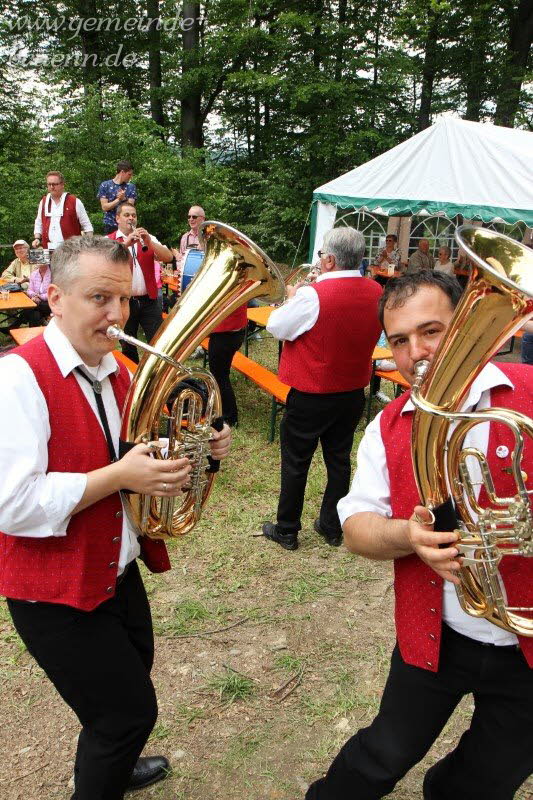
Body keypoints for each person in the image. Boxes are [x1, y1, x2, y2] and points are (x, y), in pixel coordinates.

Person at [0, 235, 232, 800]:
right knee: (125, 714)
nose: (118, 315)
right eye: (99, 298)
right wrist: (117, 479)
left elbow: (142, 452)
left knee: (126, 686)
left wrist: (202, 447)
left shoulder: (119, 370)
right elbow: (12, 503)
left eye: (125, 300)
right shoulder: (17, 379)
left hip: (116, 570)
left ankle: (113, 762)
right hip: (54, 591)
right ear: (54, 297)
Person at [306, 270, 533, 800]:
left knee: (490, 777)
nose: (417, 353)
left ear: (466, 329)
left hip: (527, 646)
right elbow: (356, 527)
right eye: (400, 341)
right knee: (383, 753)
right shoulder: (386, 427)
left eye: (431, 331)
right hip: (436, 636)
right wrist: (409, 536)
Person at [262, 227, 383, 550]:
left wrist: (291, 298)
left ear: (329, 260)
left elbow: (276, 326)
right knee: (339, 459)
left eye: (320, 256)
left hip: (311, 393)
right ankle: (331, 525)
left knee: (296, 461)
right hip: (353, 392)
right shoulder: (376, 291)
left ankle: (287, 528)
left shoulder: (312, 295)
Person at [108, 202, 172, 363]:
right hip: (125, 302)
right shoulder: (109, 241)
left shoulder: (147, 237)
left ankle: (156, 376)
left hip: (149, 299)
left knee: (157, 342)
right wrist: (126, 244)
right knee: (128, 343)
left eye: (134, 215)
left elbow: (168, 257)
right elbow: (104, 262)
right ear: (117, 218)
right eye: (127, 215)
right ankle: (133, 376)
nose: (131, 218)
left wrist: (149, 242)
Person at [32, 171, 93, 250]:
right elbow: (39, 222)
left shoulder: (74, 201)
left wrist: (88, 245)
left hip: (71, 249)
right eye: (49, 184)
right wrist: (37, 238)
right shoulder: (43, 202)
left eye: (54, 184)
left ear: (62, 184)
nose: (51, 187)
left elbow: (87, 226)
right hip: (49, 248)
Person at [97, 160, 137, 234]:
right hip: (110, 226)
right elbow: (104, 207)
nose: (131, 177)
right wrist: (118, 199)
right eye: (129, 174)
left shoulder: (131, 187)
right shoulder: (105, 185)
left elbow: (131, 206)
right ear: (122, 172)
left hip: (127, 225)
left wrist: (124, 198)